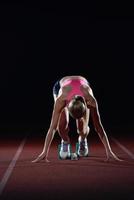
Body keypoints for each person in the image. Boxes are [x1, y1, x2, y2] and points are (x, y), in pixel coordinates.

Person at [32, 75, 122, 163]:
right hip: (61, 86)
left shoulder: (90, 99)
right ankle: (65, 141)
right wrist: (44, 152)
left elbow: (98, 126)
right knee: (62, 126)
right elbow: (52, 128)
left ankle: (82, 139)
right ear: (66, 106)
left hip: (83, 86)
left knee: (82, 129)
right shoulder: (61, 99)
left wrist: (109, 150)